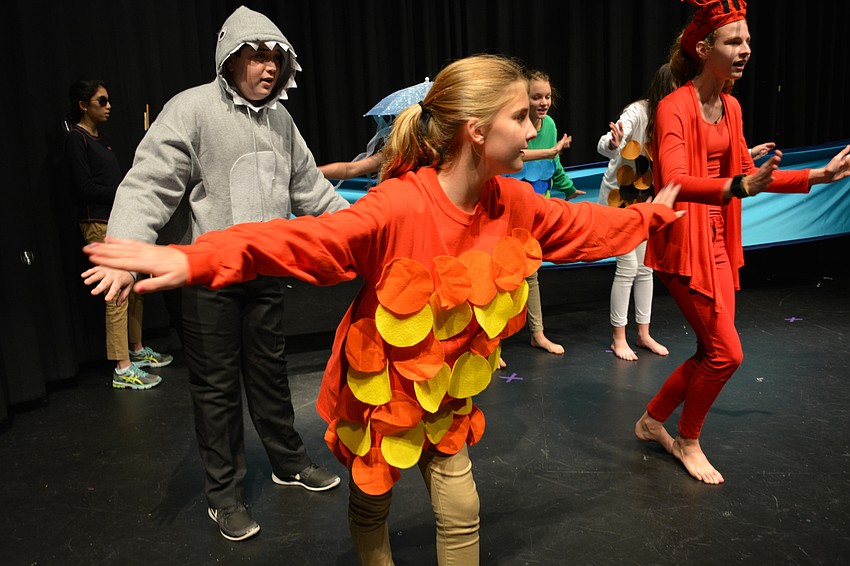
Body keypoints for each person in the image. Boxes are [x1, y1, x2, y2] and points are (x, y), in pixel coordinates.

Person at [84, 53, 684, 565]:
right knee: (372, 496)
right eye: (522, 116)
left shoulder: (513, 203)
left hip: (446, 390)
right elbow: (303, 241)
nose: (535, 131)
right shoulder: (400, 205)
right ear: (476, 129)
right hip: (379, 388)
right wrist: (195, 260)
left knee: (462, 508)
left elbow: (585, 225)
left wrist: (650, 215)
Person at [81, 6, 346, 541]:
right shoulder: (192, 110)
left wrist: (365, 230)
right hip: (205, 282)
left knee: (271, 375)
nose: (268, 67)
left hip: (265, 272)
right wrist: (126, 250)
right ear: (229, 58)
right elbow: (148, 183)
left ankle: (287, 461)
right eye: (255, 55)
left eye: (276, 57)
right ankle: (223, 495)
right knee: (218, 389)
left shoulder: (280, 119)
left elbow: (311, 192)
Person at [635, 0, 850, 485]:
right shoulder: (674, 106)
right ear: (703, 48)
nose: (745, 50)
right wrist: (734, 185)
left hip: (716, 240)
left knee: (712, 349)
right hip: (682, 242)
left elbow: (750, 175)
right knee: (727, 354)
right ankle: (687, 438)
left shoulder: (731, 106)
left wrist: (821, 174)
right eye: (734, 41)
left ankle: (652, 420)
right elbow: (675, 178)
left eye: (747, 41)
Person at [65, 80, 172, 390]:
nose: (108, 105)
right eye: (102, 100)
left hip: (117, 222)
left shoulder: (102, 140)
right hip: (98, 224)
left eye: (109, 99)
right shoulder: (76, 140)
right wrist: (125, 192)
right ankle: (122, 368)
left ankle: (136, 351)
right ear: (84, 105)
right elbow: (84, 187)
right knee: (116, 294)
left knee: (134, 287)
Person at [596, 64, 678, 361]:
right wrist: (613, 142)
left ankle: (643, 334)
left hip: (646, 201)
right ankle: (619, 337)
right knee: (628, 266)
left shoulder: (675, 120)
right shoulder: (639, 112)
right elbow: (606, 143)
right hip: (619, 200)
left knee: (646, 267)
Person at [505, 70, 586, 358]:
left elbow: (555, 165)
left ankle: (537, 333)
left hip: (539, 204)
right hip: (511, 205)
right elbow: (515, 156)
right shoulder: (515, 123)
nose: (543, 102)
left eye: (547, 96)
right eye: (536, 96)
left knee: (532, 272)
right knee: (501, 274)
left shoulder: (549, 124)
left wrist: (569, 187)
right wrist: (551, 151)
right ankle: (491, 342)